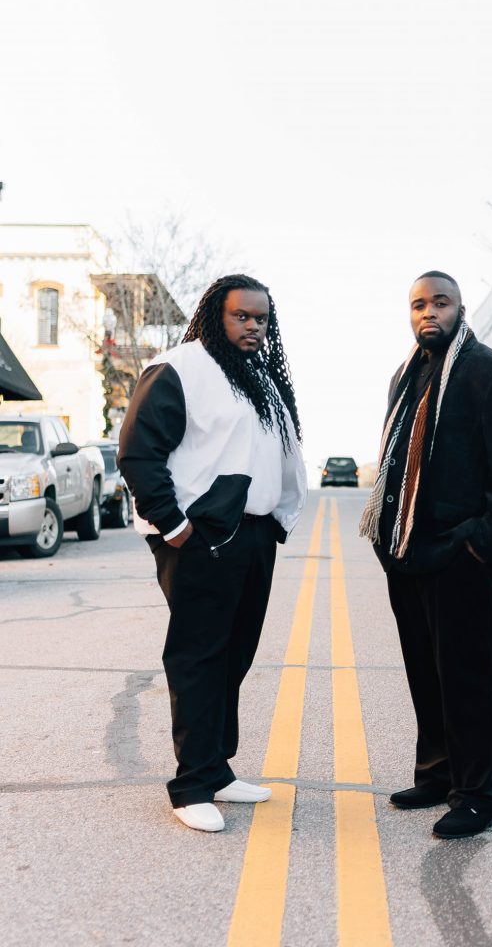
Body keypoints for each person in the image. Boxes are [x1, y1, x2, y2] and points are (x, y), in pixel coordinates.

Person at [360, 270, 492, 839]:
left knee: (469, 678)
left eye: (440, 302)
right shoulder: (406, 375)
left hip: (463, 557)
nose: (428, 313)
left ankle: (478, 795)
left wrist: (481, 545)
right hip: (409, 552)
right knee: (426, 672)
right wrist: (389, 542)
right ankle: (438, 774)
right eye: (418, 304)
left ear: (460, 310)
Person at [118, 275, 307, 833]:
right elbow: (138, 451)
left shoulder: (259, 378)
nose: (252, 326)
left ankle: (217, 768)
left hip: (252, 535)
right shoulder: (179, 368)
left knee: (234, 656)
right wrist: (173, 525)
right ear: (214, 316)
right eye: (240, 316)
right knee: (199, 658)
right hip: (200, 536)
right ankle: (191, 786)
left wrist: (279, 518)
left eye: (261, 318)